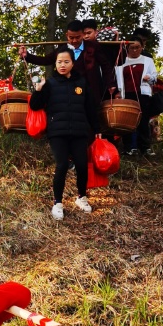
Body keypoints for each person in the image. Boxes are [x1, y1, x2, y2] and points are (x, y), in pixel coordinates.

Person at [29, 46, 100, 220]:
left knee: (82, 165)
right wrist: (38, 90)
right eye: (59, 62)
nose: (62, 65)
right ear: (55, 63)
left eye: (66, 61)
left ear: (72, 63)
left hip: (79, 131)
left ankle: (81, 197)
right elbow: (35, 105)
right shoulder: (50, 83)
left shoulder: (82, 83)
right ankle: (57, 203)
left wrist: (97, 130)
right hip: (57, 132)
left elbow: (90, 108)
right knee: (61, 165)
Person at [114, 33, 158, 156]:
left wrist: (149, 78)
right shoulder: (121, 61)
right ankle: (129, 148)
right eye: (132, 47)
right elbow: (116, 77)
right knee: (127, 121)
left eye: (137, 47)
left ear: (141, 47)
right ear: (127, 48)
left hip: (142, 93)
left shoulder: (148, 60)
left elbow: (155, 77)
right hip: (126, 94)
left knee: (143, 120)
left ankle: (145, 147)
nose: (134, 50)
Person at [13, 19, 85, 74]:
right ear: (67, 35)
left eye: (78, 37)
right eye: (71, 38)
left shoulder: (92, 48)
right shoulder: (62, 49)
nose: (74, 41)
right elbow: (45, 60)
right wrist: (27, 56)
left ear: (83, 35)